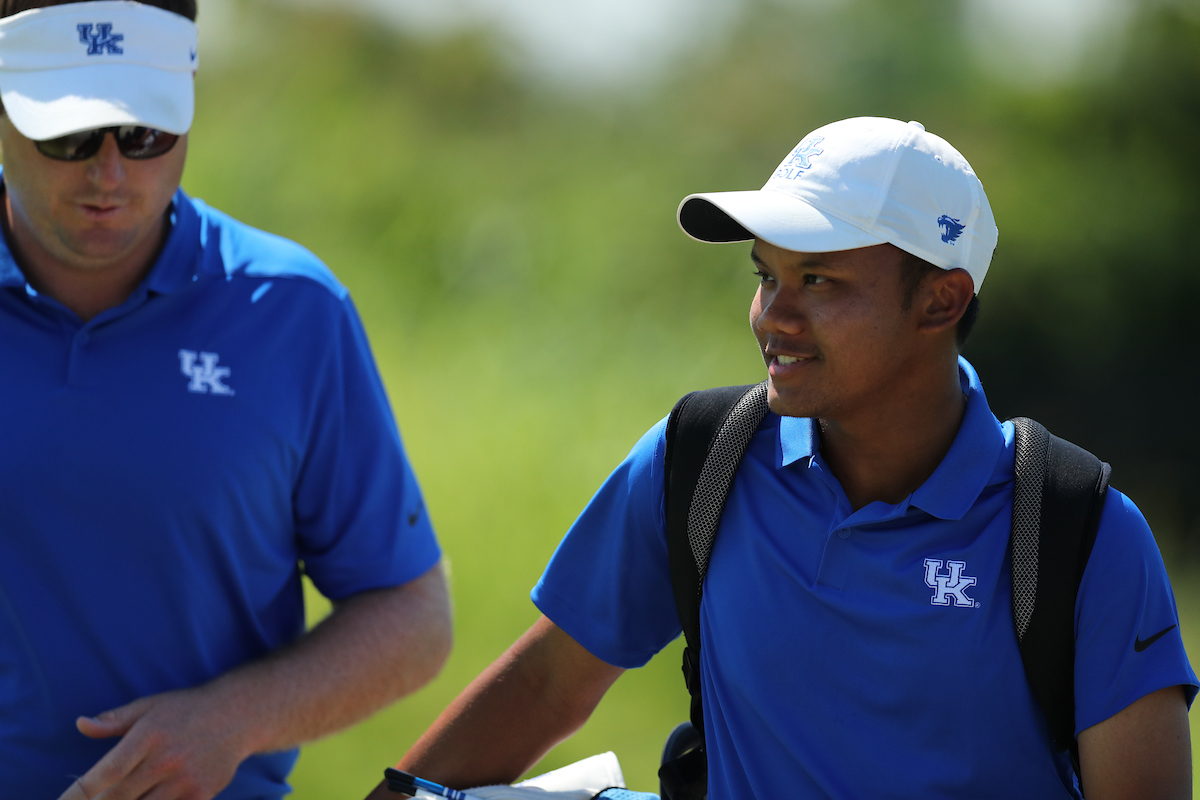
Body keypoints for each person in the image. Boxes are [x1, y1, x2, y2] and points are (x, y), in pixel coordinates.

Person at [365, 117, 1197, 800]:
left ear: (941, 299)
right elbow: (550, 682)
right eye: (768, 277)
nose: (774, 317)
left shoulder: (1078, 528)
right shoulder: (702, 461)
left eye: (820, 283)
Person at [0, 1, 453, 798]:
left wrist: (231, 720)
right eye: (67, 135)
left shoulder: (291, 309)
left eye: (145, 136)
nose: (108, 173)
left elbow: (411, 615)